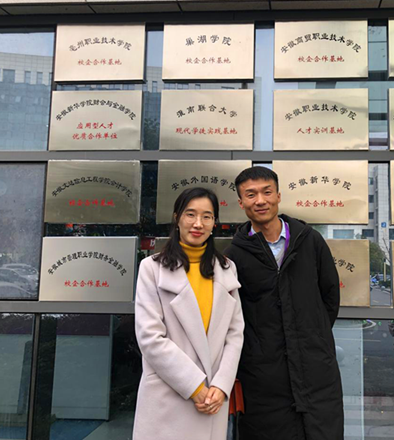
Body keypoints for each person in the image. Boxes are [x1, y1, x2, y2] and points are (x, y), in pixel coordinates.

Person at [225, 166, 343, 440]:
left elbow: (330, 296)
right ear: (241, 203)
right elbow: (233, 315)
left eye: (267, 192)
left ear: (278, 196)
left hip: (315, 369)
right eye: (251, 195)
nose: (260, 201)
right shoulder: (234, 256)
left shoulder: (309, 241)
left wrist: (313, 336)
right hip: (263, 377)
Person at [133, 187, 244, 440]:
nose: (198, 223)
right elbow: (150, 337)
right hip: (168, 396)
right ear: (177, 218)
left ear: (214, 222)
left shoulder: (227, 269)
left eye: (207, 216)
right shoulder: (152, 268)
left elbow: (235, 334)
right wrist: (194, 387)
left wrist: (221, 385)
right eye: (190, 214)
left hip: (213, 399)